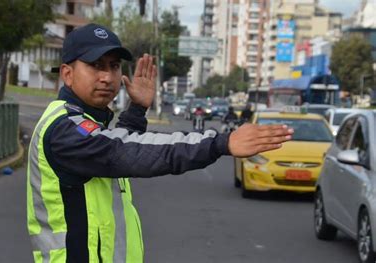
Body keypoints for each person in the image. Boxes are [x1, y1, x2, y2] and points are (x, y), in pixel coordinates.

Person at [27, 23, 293, 263]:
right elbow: (125, 153)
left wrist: (137, 109)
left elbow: (112, 151)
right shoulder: (64, 128)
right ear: (67, 73)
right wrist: (220, 143)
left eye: (114, 66)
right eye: (96, 65)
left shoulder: (86, 123)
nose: (107, 77)